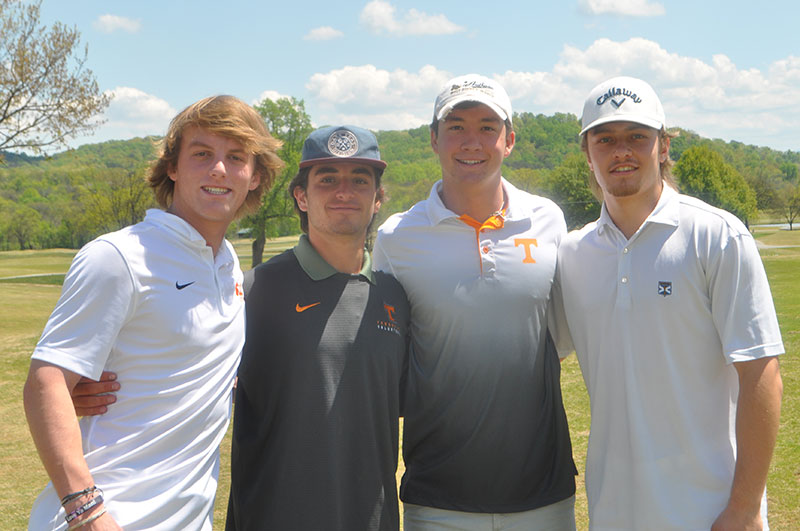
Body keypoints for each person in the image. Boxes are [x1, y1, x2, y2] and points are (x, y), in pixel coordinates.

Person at [23, 95, 284, 531]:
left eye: (235, 157)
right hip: (104, 519)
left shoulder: (227, 265)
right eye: (202, 154)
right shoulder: (119, 256)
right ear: (173, 168)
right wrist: (88, 514)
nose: (219, 169)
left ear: (255, 177)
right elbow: (46, 383)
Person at [553, 76, 784, 530]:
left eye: (637, 137)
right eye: (605, 139)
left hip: (712, 514)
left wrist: (743, 508)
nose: (621, 151)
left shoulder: (716, 235)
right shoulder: (572, 254)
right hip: (614, 513)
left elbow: (761, 374)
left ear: (663, 146)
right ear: (588, 153)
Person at [373, 74, 577, 530]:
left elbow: (556, 337)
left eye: (488, 127)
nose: (472, 141)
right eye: (456, 126)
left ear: (510, 140)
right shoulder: (396, 237)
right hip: (438, 498)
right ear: (433, 139)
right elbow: (391, 359)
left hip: (542, 494)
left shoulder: (547, 221)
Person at [225, 125, 410, 530]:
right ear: (301, 196)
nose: (344, 191)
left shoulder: (394, 297)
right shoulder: (254, 291)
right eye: (327, 179)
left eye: (359, 180)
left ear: (378, 199)